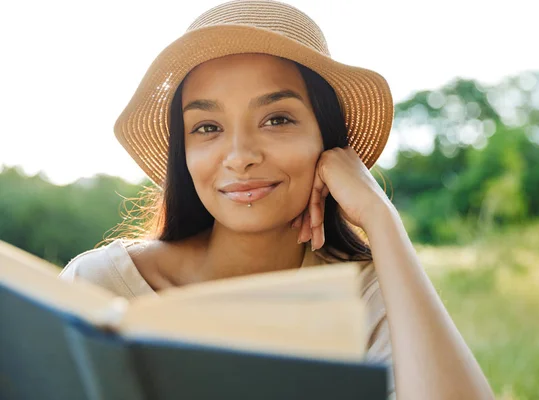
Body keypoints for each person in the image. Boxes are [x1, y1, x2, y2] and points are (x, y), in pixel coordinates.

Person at [59, 1, 494, 398]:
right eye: (207, 127)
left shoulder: (366, 297)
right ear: (184, 155)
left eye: (276, 119)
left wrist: (381, 219)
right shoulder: (100, 286)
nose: (240, 157)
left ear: (327, 139)